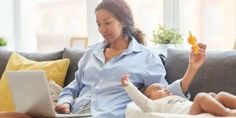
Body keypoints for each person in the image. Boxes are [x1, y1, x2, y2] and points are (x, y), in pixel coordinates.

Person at [55, 0, 207, 117]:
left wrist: (192, 68)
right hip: (74, 113)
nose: (102, 29)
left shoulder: (146, 58)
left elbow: (163, 95)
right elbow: (72, 87)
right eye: (99, 24)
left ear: (124, 21)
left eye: (107, 22)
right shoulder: (91, 52)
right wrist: (64, 102)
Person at [121, 74, 236, 117]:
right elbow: (141, 101)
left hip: (199, 109)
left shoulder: (174, 96)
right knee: (201, 97)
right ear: (149, 98)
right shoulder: (154, 105)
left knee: (220, 95)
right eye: (158, 89)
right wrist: (129, 86)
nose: (165, 89)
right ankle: (228, 113)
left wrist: (211, 99)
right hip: (191, 114)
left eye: (164, 87)